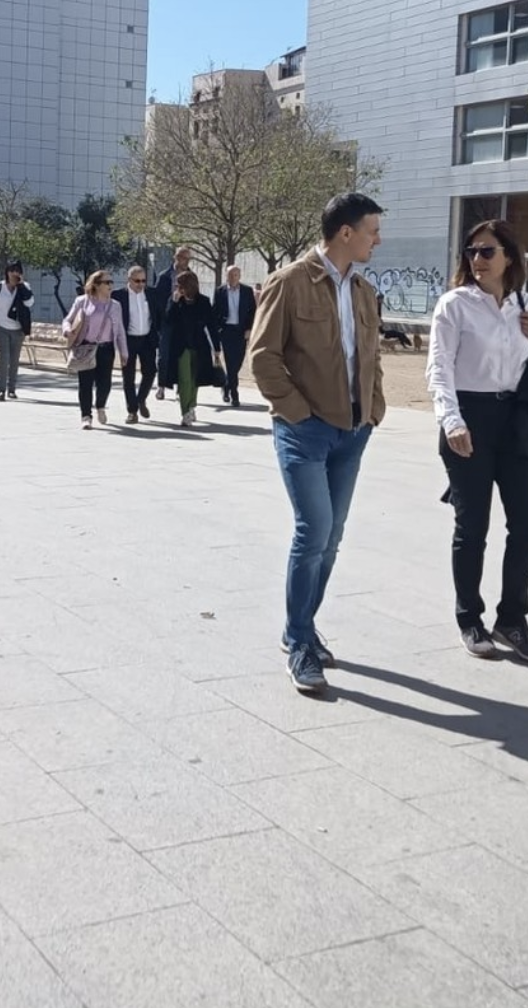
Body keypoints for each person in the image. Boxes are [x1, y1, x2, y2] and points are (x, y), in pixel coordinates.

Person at [249, 192, 385, 694]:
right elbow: (263, 357)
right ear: (346, 232)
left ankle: (298, 626)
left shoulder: (364, 291)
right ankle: (301, 642)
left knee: (332, 537)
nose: (377, 240)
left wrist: (374, 408)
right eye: (372, 230)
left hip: (353, 432)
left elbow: (370, 357)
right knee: (314, 531)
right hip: (305, 431)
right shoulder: (288, 283)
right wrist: (297, 412)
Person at [426, 218, 528, 664]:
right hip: (469, 418)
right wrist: (452, 422)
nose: (477, 259)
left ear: (509, 256)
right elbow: (439, 368)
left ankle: (512, 620)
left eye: (487, 251)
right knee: (472, 527)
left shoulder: (526, 303)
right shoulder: (454, 305)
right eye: (472, 251)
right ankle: (470, 618)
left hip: (516, 421)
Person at [62, 270, 127, 429]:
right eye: (107, 282)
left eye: (111, 282)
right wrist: (68, 331)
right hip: (86, 346)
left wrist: (124, 352)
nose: (110, 285)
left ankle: (100, 406)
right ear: (96, 285)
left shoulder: (115, 306)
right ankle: (86, 416)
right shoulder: (82, 301)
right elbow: (67, 320)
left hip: (106, 348)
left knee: (105, 383)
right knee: (85, 383)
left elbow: (120, 331)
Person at [158, 270, 222, 428]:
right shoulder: (175, 300)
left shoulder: (203, 301)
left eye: (179, 285)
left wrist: (216, 347)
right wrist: (174, 303)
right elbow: (168, 321)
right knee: (184, 378)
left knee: (195, 379)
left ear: (188, 286)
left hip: (199, 345)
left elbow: (212, 325)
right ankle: (185, 412)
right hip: (180, 346)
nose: (176, 288)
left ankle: (192, 405)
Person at [113, 264, 163, 423]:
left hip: (147, 339)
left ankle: (140, 399)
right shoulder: (118, 296)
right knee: (128, 376)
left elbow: (159, 316)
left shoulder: (152, 294)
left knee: (150, 372)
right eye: (137, 281)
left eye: (143, 281)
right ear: (129, 280)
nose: (141, 284)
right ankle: (132, 411)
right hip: (128, 340)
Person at [0, 260, 33, 401]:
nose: (14, 273)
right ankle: (1, 390)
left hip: (18, 329)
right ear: (7, 272)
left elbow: (30, 302)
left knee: (14, 359)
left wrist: (22, 286)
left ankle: (12, 389)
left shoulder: (24, 287)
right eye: (12, 270)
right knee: (4, 357)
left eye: (17, 271)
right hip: (1, 326)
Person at [213, 265, 256, 407]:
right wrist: (217, 329)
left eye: (235, 275)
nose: (233, 277)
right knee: (230, 362)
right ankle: (234, 394)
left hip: (241, 331)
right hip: (226, 331)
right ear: (226, 276)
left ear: (240, 276)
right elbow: (215, 311)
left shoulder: (247, 291)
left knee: (238, 361)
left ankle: (226, 385)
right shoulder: (220, 291)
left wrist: (249, 328)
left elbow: (252, 311)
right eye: (230, 275)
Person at [153, 246, 192, 400]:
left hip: (184, 323)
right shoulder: (164, 276)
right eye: (183, 257)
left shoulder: (191, 277)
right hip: (167, 322)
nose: (186, 261)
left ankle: (180, 387)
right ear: (176, 257)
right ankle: (161, 386)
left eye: (188, 258)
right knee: (164, 355)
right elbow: (157, 301)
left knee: (182, 356)